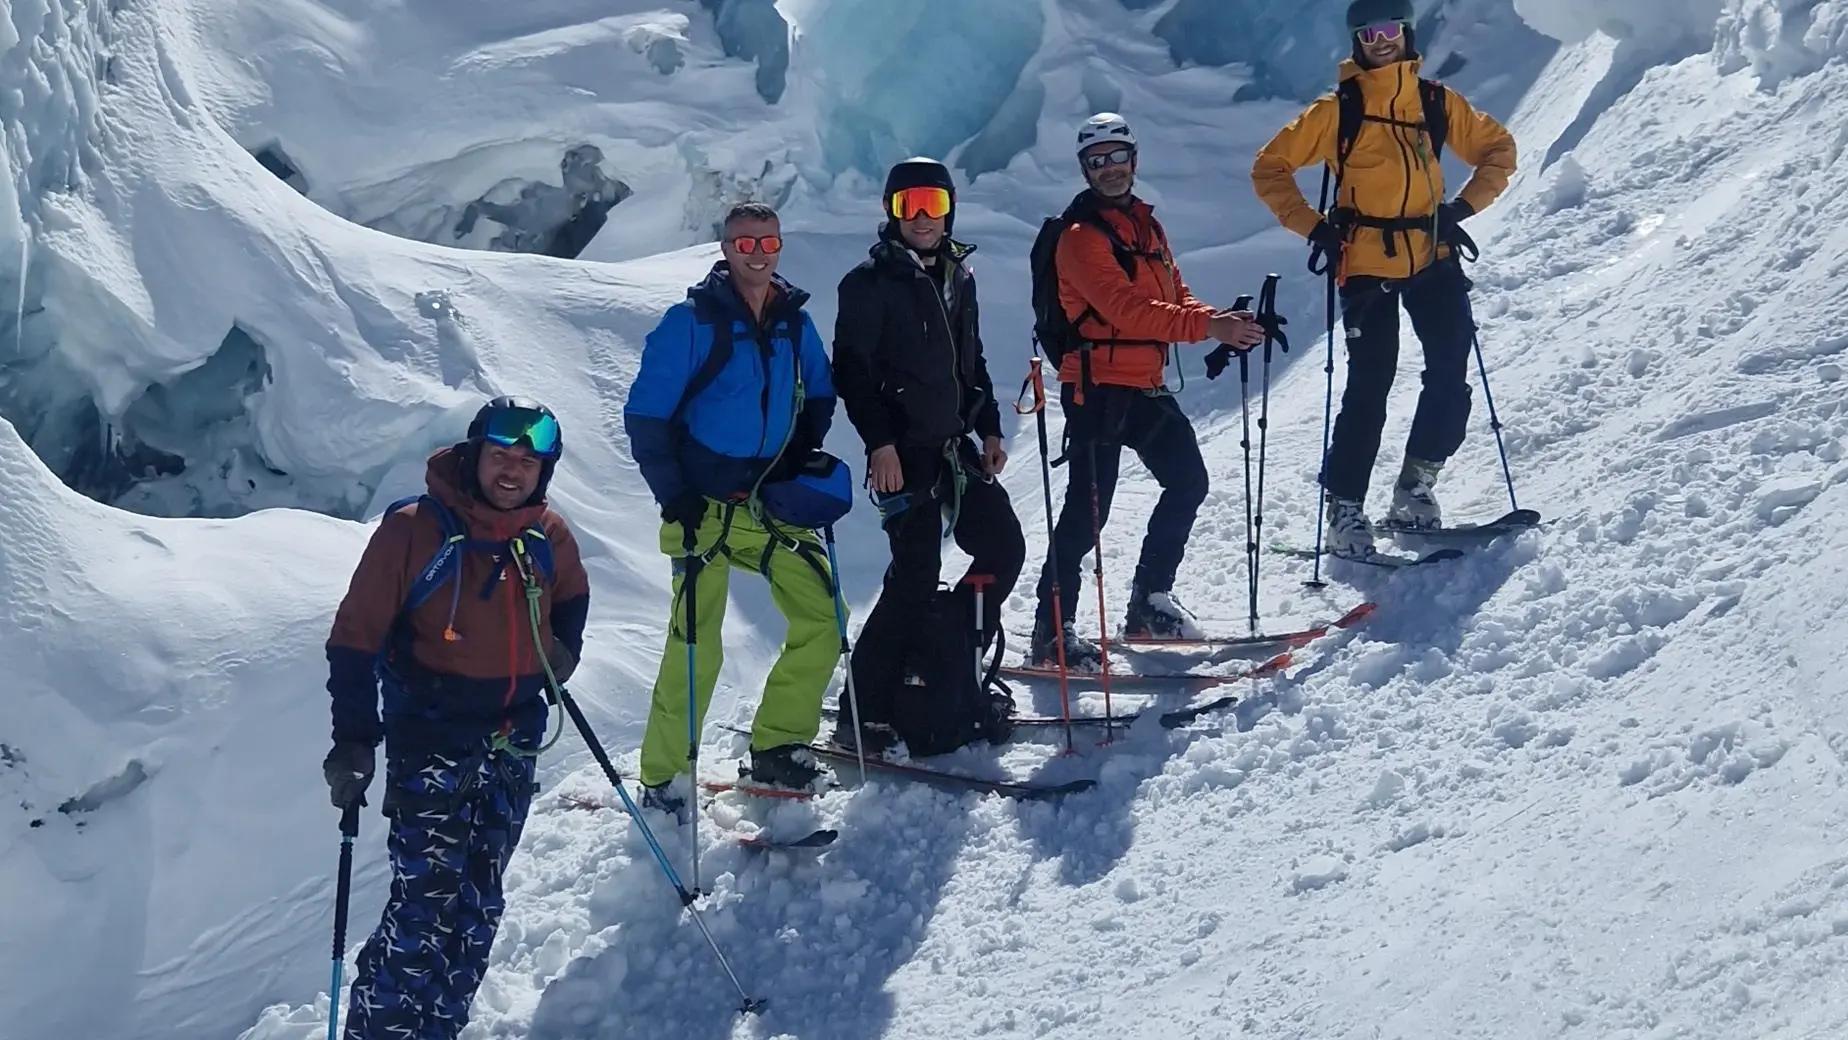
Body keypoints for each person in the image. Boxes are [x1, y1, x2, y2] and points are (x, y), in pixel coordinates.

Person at [321, 396, 590, 1040]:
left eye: (529, 460)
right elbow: (354, 638)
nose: (512, 470)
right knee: (424, 906)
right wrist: (355, 739)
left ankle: (439, 1027)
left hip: (513, 740)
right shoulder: (413, 530)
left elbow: (573, 600)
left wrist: (561, 655)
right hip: (433, 739)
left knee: (479, 901)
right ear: (474, 454)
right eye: (501, 454)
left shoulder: (545, 536)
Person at [1251, 0, 1517, 558]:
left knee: (1450, 372)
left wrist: (1463, 208)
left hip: (1431, 254)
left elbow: (1499, 149)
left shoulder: (1435, 102)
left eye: (1390, 28)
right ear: (1356, 41)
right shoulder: (1337, 110)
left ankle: (1415, 488)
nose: (1380, 39)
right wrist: (1314, 227)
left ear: (1406, 32)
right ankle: (1345, 508)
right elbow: (1269, 167)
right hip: (1365, 262)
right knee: (1370, 389)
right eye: (1368, 32)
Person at [621, 200, 840, 813]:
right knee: (696, 644)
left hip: (770, 504)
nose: (759, 253)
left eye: (768, 242)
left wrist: (801, 455)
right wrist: (676, 495)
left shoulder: (795, 322)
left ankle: (778, 746)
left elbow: (818, 391)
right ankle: (664, 777)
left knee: (825, 617)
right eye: (745, 244)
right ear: (725, 250)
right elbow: (645, 416)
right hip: (703, 509)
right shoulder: (688, 323)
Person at [1027, 113, 1266, 669]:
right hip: (1097, 389)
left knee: (1187, 481)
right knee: (1087, 516)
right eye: (1097, 161)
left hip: (1143, 384)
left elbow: (1175, 296)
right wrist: (1210, 328)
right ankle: (1051, 633)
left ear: (1134, 160)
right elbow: (1125, 310)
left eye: (1117, 157)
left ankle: (1149, 601)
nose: (1109, 169)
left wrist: (1221, 319)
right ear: (1084, 169)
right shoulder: (1080, 239)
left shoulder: (1147, 228)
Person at [830, 156, 1027, 751]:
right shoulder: (867, 284)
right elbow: (853, 374)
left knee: (1003, 547)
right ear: (890, 212)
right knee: (914, 576)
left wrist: (989, 428)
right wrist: (880, 444)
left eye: (933, 204)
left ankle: (946, 659)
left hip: (952, 446)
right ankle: (860, 712)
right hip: (903, 454)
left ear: (949, 210)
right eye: (907, 204)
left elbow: (973, 365)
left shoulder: (958, 278)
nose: (921, 217)